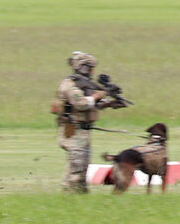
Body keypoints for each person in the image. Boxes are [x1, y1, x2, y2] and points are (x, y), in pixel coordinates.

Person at [52, 52, 128, 193]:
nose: (92, 71)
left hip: (82, 131)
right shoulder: (70, 85)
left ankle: (72, 195)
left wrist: (109, 103)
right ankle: (73, 195)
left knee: (79, 166)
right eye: (89, 67)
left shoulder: (83, 85)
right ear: (82, 67)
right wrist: (99, 94)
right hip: (73, 131)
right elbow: (81, 104)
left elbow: (92, 104)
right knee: (77, 167)